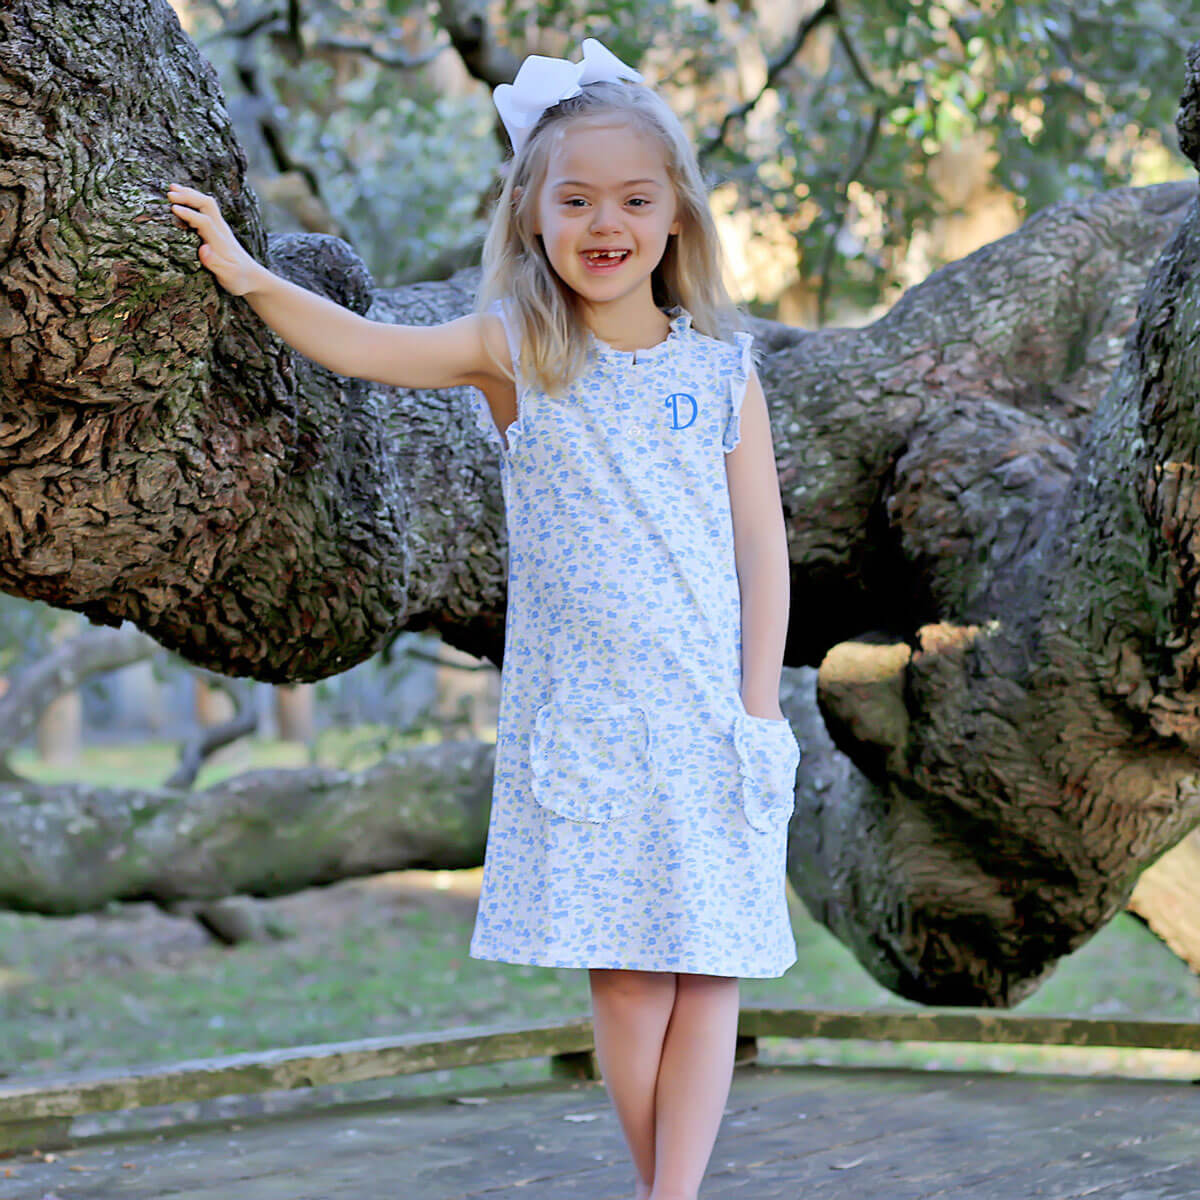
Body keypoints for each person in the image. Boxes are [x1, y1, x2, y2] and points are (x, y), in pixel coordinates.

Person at [166, 36, 800, 1200]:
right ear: (534, 212)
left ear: (674, 220)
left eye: (633, 200)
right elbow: (366, 347)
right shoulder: (520, 349)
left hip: (709, 713)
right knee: (627, 978)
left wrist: (758, 702)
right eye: (576, 200)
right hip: (590, 720)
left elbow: (762, 544)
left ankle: (676, 1195)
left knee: (710, 970)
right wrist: (252, 277)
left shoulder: (720, 369)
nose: (604, 223)